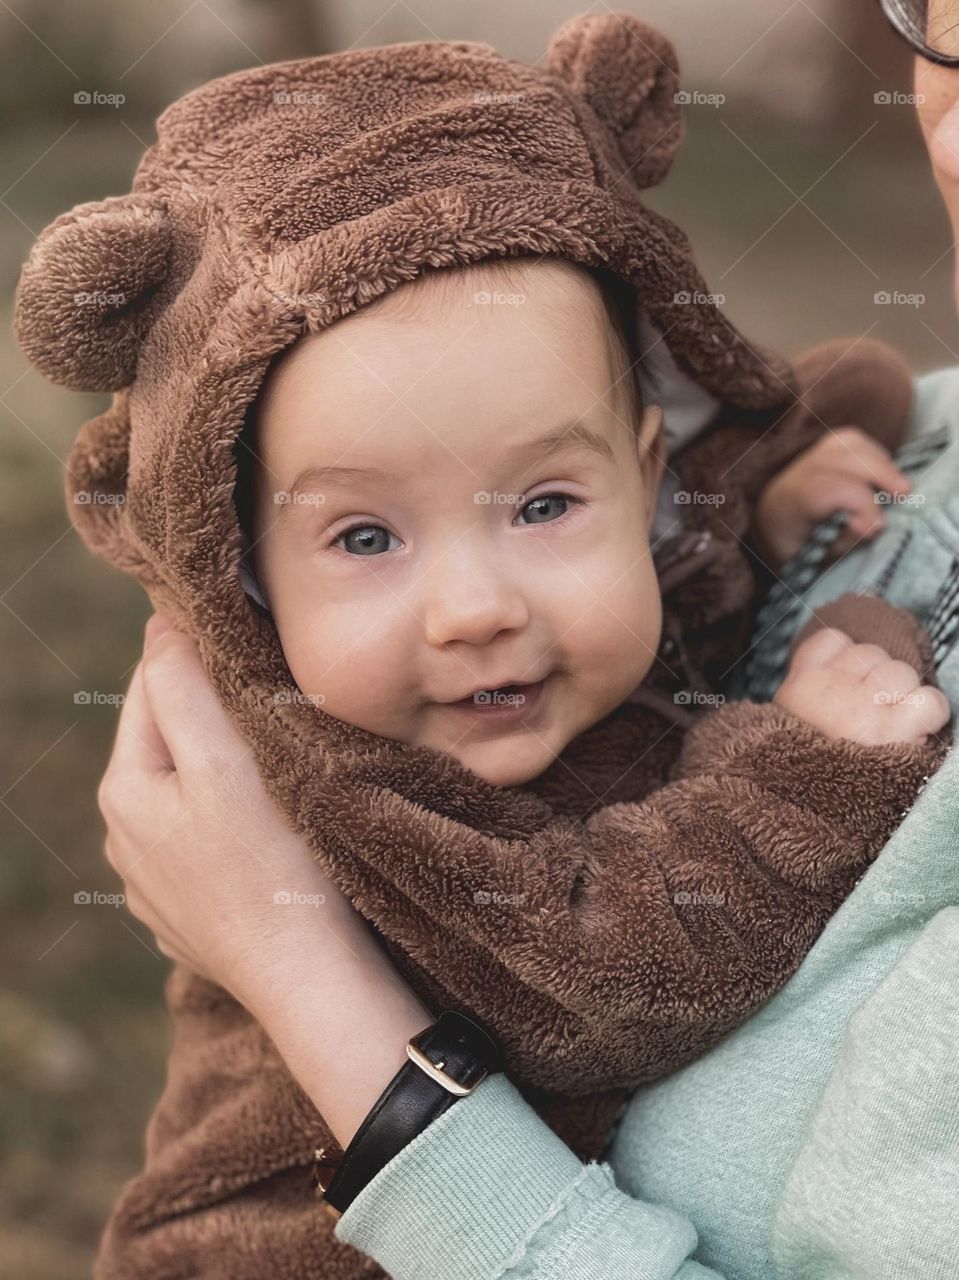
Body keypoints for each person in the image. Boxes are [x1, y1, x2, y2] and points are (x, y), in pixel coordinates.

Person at [93, 5, 959, 1278]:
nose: (473, 607)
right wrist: (808, 761)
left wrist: (757, 479)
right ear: (244, 575)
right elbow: (595, 975)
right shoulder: (343, 778)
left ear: (650, 482)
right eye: (364, 538)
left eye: (544, 507)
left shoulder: (586, 585)